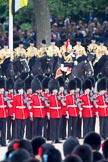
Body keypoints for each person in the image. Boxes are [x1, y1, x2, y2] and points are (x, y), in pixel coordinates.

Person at [48, 78, 62, 143]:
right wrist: (48, 113)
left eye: (56, 89)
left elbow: (61, 106)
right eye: (54, 89)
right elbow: (48, 106)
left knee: (58, 127)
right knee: (53, 127)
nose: (55, 91)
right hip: (53, 113)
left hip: (58, 113)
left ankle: (57, 138)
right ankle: (53, 139)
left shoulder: (59, 97)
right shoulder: (49, 97)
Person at [24, 75, 33, 140]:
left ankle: (31, 136)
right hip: (27, 113)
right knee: (28, 125)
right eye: (30, 89)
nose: (31, 90)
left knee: (32, 125)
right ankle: (28, 136)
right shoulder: (25, 96)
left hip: (32, 112)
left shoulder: (32, 96)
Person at [0, 77, 7, 146]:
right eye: (0, 91)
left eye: (2, 91)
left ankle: (3, 142)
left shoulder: (5, 96)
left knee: (4, 130)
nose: (2, 92)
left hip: (4, 115)